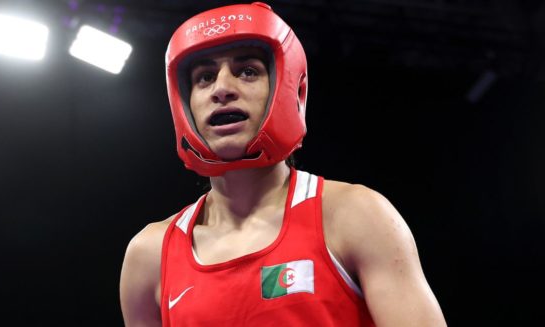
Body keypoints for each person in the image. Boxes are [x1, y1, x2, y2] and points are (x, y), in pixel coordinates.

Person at [120, 2, 447, 326]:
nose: (221, 89)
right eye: (204, 77)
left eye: (247, 71)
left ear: (290, 87)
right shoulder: (150, 255)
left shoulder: (354, 216)